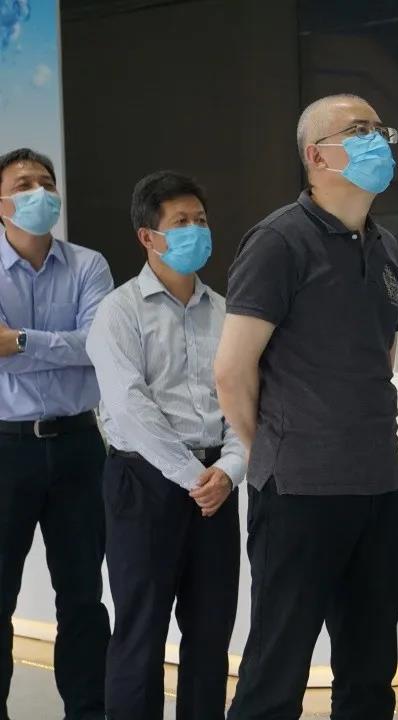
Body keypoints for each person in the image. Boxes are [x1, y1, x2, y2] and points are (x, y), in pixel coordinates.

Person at [215, 94, 398, 719]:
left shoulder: (385, 246)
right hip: (299, 492)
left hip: (376, 485)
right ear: (317, 156)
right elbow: (231, 371)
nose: (377, 140)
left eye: (379, 130)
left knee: (370, 671)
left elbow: (380, 357)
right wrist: (275, 449)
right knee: (277, 670)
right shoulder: (278, 241)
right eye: (359, 131)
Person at [86, 171, 246, 720]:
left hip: (216, 487)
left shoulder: (226, 311)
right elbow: (129, 406)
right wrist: (193, 476)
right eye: (180, 222)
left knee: (210, 634)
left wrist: (229, 468)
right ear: (147, 236)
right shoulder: (119, 311)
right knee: (141, 631)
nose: (195, 230)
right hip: (143, 482)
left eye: (200, 220)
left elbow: (244, 397)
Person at [0, 148, 112, 719]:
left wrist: (19, 341)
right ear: (0, 202)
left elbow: (98, 346)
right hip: (5, 446)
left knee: (83, 596)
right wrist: (62, 347)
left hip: (78, 446)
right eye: (23, 184)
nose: (39, 193)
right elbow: (77, 347)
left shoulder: (89, 266)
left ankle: (87, 711)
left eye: (46, 182)